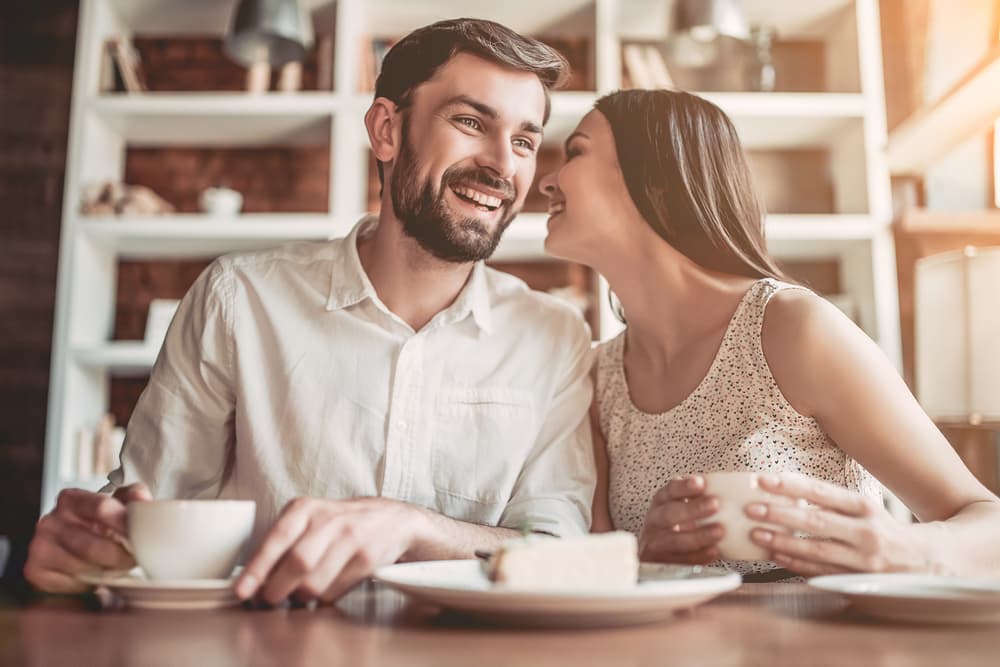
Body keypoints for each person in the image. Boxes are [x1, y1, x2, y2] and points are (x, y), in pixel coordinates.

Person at [24, 19, 597, 603]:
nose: (504, 165)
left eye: (525, 140)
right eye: (471, 122)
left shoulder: (554, 337)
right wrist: (88, 551)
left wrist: (414, 528)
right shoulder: (238, 300)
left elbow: (559, 554)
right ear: (386, 130)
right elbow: (148, 521)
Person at [539, 88, 1000, 580]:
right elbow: (602, 578)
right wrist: (648, 562)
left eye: (575, 152)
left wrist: (904, 549)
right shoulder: (597, 378)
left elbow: (985, 518)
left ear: (656, 181)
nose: (546, 181)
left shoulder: (792, 328)